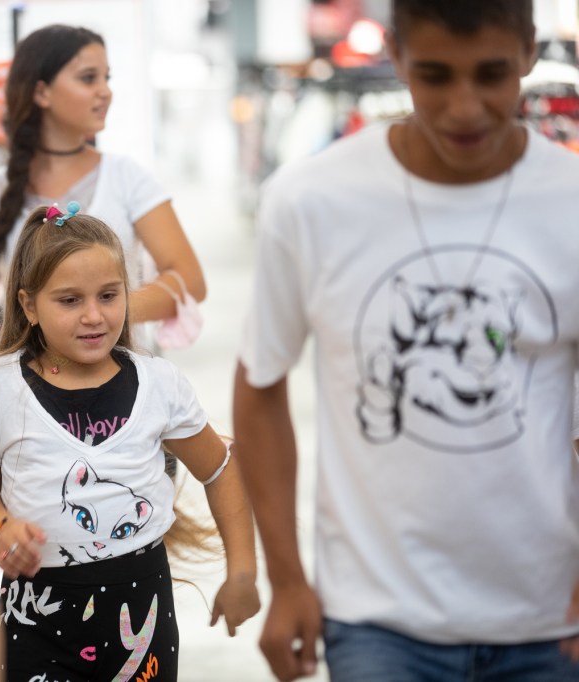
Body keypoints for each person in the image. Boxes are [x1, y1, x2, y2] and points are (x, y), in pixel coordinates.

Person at [232, 1, 579, 680]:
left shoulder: (570, 200)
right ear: (394, 54)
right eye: (435, 75)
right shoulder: (311, 200)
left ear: (529, 53)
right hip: (377, 622)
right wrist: (287, 579)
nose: (464, 107)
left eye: (491, 74)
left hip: (551, 622)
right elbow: (260, 384)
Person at [0, 204, 259, 681]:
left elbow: (220, 467)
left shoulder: (159, 384)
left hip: (142, 615)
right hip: (36, 619)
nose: (93, 316)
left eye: (108, 295)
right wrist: (1, 527)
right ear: (28, 306)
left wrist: (243, 570)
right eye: (69, 300)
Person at [0, 24, 206, 381]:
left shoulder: (127, 178)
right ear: (41, 92)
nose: (105, 92)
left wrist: (99, 309)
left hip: (124, 389)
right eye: (88, 78)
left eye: (106, 78)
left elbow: (191, 280)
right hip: (26, 395)